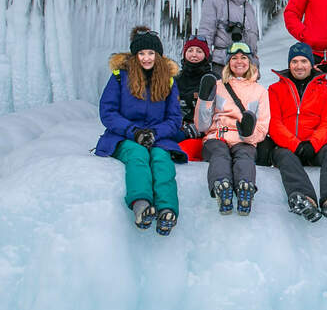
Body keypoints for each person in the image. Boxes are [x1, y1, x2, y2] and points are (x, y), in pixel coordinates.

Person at [93, 26, 186, 235]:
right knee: (138, 155)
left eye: (151, 53)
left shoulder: (168, 81)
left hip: (157, 137)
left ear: (158, 55)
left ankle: (167, 210)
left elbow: (174, 119)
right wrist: (133, 132)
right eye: (142, 53)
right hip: (123, 136)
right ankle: (141, 205)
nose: (146, 58)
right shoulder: (120, 77)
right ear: (135, 55)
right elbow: (108, 112)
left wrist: (155, 134)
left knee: (162, 159)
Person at [258, 42, 327, 222]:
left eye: (304, 61)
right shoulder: (275, 90)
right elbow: (274, 122)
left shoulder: (325, 90)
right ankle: (304, 199)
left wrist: (313, 143)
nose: (299, 66)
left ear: (311, 64)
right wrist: (296, 145)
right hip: (287, 146)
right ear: (289, 64)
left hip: (314, 146)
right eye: (295, 61)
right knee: (284, 156)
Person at [194, 42, 270, 216]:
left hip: (243, 139)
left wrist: (248, 134)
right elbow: (201, 126)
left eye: (244, 58)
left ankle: (245, 187)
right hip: (216, 136)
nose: (239, 62)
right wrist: (204, 101)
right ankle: (222, 185)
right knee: (219, 154)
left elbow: (263, 126)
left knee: (245, 156)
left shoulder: (260, 91)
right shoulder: (218, 86)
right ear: (228, 62)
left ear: (251, 62)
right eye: (234, 58)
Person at [200, 0, 260, 76]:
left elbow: (253, 39)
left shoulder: (248, 7)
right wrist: (204, 63)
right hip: (221, 63)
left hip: (245, 65)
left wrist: (255, 65)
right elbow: (206, 32)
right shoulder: (214, 0)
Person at [175, 35, 212, 161]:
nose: (194, 55)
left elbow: (219, 111)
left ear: (206, 55)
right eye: (190, 51)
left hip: (202, 134)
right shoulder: (176, 79)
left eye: (199, 51)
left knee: (179, 152)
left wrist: (197, 129)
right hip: (177, 129)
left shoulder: (213, 79)